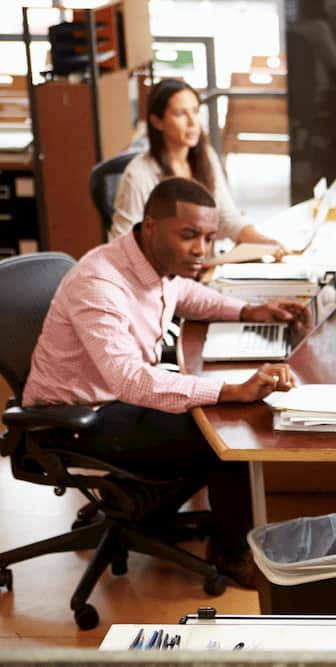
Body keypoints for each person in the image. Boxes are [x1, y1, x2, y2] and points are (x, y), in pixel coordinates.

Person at [23, 177, 305, 588]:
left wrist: (251, 311)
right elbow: (130, 381)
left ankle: (148, 507)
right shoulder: (100, 283)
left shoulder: (158, 263)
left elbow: (187, 296)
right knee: (227, 423)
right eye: (189, 236)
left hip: (110, 400)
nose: (201, 250)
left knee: (214, 405)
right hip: (74, 419)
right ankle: (231, 553)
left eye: (209, 238)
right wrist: (230, 391)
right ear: (151, 225)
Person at [110, 78, 280, 247]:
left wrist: (263, 242)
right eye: (181, 114)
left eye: (195, 111)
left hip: (203, 268)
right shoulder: (139, 175)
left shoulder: (206, 157)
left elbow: (226, 217)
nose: (193, 123)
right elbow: (123, 245)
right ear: (157, 122)